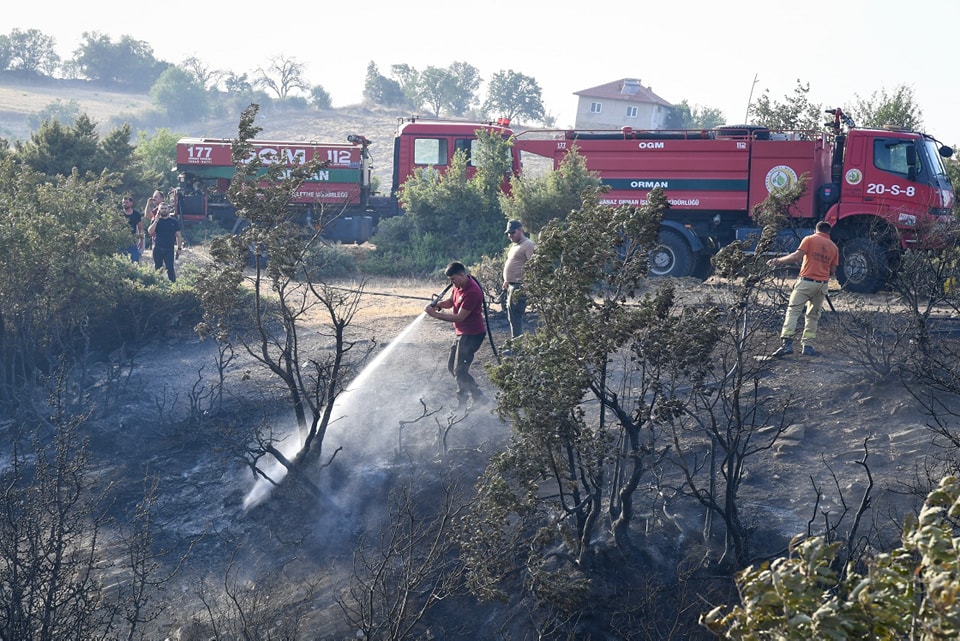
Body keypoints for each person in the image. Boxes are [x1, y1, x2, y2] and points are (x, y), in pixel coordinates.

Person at [766, 221, 839, 357]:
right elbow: (833, 270)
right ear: (829, 232)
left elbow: (796, 257)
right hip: (822, 285)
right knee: (813, 316)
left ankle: (787, 344)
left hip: (805, 283)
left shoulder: (809, 239)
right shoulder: (834, 247)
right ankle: (808, 346)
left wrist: (777, 261)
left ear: (815, 230)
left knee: (793, 311)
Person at [424, 261, 489, 407]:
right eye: (450, 280)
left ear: (461, 275)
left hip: (472, 335)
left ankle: (462, 403)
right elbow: (451, 301)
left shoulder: (473, 292)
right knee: (451, 367)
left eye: (453, 279)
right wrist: (438, 305)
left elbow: (460, 317)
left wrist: (434, 315)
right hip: (462, 333)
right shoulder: (458, 285)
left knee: (460, 371)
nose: (451, 282)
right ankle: (478, 396)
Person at [502, 219, 536, 340]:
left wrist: (527, 285)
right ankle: (516, 342)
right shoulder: (515, 246)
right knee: (512, 315)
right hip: (512, 285)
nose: (510, 235)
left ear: (521, 230)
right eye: (508, 233)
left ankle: (517, 345)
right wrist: (506, 280)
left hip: (519, 285)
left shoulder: (528, 245)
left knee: (515, 315)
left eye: (512, 232)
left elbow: (533, 266)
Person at [148, 202, 183, 282]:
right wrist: (156, 220)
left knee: (170, 268)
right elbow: (150, 231)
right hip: (157, 248)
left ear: (168, 209)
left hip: (169, 249)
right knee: (158, 269)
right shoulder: (156, 221)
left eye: (165, 208)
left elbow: (178, 236)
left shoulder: (174, 221)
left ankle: (173, 285)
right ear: (159, 210)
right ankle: (158, 285)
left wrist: (179, 247)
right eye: (162, 209)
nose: (164, 210)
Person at [121, 195, 144, 263]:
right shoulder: (119, 213)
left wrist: (141, 240)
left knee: (135, 260)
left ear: (131, 203)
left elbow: (140, 227)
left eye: (126, 202)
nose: (124, 204)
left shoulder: (136, 214)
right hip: (120, 240)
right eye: (123, 202)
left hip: (132, 240)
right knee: (121, 260)